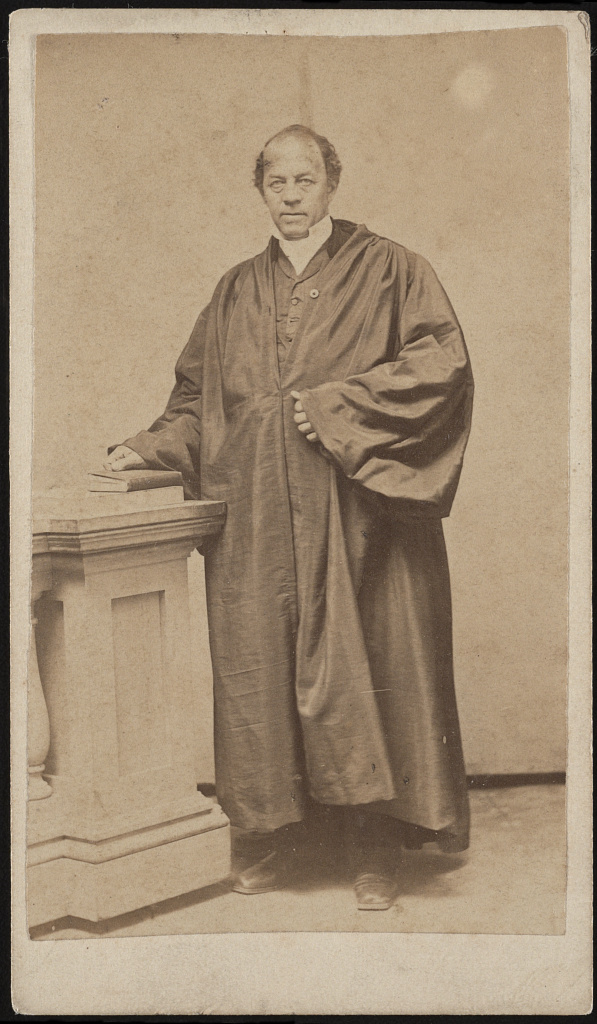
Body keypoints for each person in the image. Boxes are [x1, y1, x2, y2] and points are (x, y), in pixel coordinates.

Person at [106, 125, 474, 910]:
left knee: (373, 670)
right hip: (261, 523)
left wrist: (339, 407)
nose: (292, 196)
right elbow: (198, 404)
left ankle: (377, 848)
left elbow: (443, 366)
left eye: (306, 180)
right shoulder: (234, 289)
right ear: (261, 191)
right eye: (277, 182)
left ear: (332, 183)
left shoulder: (393, 270)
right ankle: (282, 839)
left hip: (361, 519)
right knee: (262, 677)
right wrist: (145, 449)